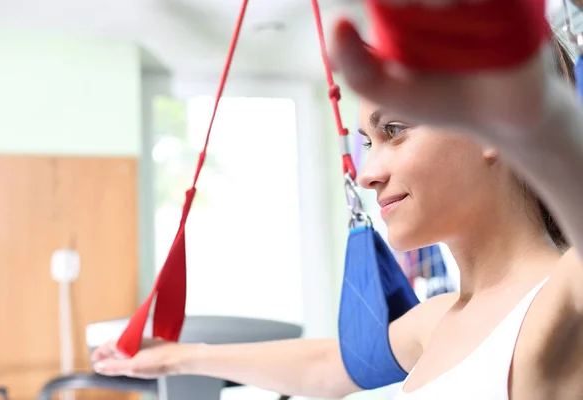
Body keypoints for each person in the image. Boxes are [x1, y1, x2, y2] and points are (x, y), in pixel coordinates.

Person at [93, 3, 583, 399]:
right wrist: (177, 357)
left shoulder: (562, 301)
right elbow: (332, 364)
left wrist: (543, 123)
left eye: (395, 130)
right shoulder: (440, 320)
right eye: (369, 142)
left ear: (491, 126)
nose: (367, 175)